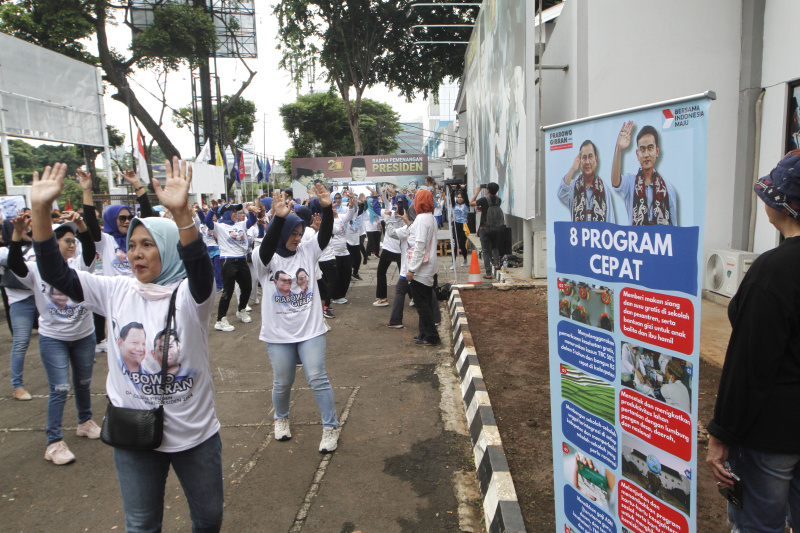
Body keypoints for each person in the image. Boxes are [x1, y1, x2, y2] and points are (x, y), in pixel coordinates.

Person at [31, 158, 223, 532]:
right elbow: (56, 274)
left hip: (194, 435)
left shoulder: (189, 296)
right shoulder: (115, 290)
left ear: (166, 250)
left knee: (209, 518)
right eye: (132, 244)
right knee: (140, 523)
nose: (136, 253)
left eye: (148, 245)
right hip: (133, 432)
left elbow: (199, 268)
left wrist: (182, 212)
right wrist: (41, 211)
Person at [706, 150, 800, 532]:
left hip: (772, 434)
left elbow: (748, 363)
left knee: (759, 526)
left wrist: (722, 433)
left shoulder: (774, 271)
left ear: (783, 206)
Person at [253, 183, 341, 453]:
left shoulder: (307, 250)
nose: (297, 238)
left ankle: (330, 427)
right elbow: (268, 248)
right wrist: (279, 219)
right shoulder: (263, 259)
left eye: (300, 232)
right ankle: (281, 420)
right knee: (282, 381)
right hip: (278, 333)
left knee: (317, 377)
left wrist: (327, 209)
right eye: (292, 233)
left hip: (311, 329)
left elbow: (324, 236)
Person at [7, 212, 100, 464]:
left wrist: (81, 224)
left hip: (84, 335)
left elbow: (90, 249)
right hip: (53, 338)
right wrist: (17, 233)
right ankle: (53, 442)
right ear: (51, 244)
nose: (72, 244)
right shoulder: (37, 270)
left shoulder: (79, 265)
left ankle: (84, 421)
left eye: (73, 240)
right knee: (59, 388)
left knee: (83, 383)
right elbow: (14, 263)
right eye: (66, 240)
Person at [0, 207, 36, 400]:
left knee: (60, 337)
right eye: (21, 224)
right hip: (21, 302)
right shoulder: (5, 251)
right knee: (21, 342)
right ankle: (17, 386)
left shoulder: (37, 245)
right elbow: (12, 261)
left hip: (43, 298)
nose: (26, 225)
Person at [611, 122, 678, 226]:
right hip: (636, 241)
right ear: (637, 154)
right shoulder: (630, 183)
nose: (646, 154)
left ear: (657, 151)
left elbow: (674, 230)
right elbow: (615, 182)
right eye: (642, 149)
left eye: (650, 148)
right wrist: (618, 149)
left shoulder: (668, 189)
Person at [205, 202, 257, 330]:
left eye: (237, 212)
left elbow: (252, 220)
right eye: (233, 212)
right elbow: (207, 221)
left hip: (241, 259)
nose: (236, 214)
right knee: (228, 290)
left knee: (247, 287)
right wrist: (213, 209)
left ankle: (241, 310)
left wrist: (251, 210)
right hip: (228, 260)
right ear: (227, 213)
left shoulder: (241, 224)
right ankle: (220, 320)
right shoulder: (219, 226)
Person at [405, 189, 441, 346]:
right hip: (429, 266)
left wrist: (412, 269)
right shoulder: (431, 218)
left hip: (420, 269)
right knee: (425, 302)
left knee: (422, 305)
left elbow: (419, 247)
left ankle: (432, 336)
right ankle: (424, 333)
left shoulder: (421, 219)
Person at [558, 140, 616, 222]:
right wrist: (573, 169)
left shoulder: (605, 189)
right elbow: (561, 193)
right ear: (580, 161)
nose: (587, 162)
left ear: (596, 159)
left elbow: (611, 222)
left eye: (590, 156)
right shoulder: (573, 187)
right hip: (578, 234)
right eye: (584, 157)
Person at [470, 182, 503, 279]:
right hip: (496, 228)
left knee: (485, 251)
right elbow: (495, 195)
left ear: (487, 190)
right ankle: (496, 264)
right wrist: (492, 189)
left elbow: (471, 203)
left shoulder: (484, 200)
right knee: (494, 247)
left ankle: (488, 273)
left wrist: (477, 191)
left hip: (484, 228)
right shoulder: (499, 200)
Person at [451, 191, 470, 268]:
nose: (459, 199)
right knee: (455, 244)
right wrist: (452, 189)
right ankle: (453, 263)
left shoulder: (466, 205)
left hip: (464, 225)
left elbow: (466, 196)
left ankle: (465, 258)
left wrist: (464, 189)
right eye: (458, 197)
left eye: (461, 197)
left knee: (462, 244)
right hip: (455, 224)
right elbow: (452, 198)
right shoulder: (454, 204)